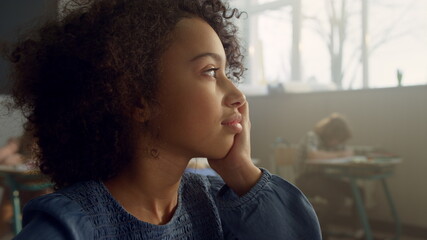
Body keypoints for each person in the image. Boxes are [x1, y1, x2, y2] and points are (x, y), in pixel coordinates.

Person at [5, 0, 321, 239]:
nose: (238, 95)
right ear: (138, 99)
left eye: (228, 72)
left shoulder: (218, 204)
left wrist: (241, 170)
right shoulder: (70, 224)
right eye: (210, 71)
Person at [295, 113, 357, 235]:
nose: (336, 143)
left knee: (357, 191)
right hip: (306, 178)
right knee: (338, 199)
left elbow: (348, 151)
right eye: (335, 139)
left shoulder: (333, 142)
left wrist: (344, 153)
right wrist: (340, 154)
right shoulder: (312, 136)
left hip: (323, 178)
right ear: (328, 133)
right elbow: (313, 155)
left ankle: (357, 230)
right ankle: (316, 230)